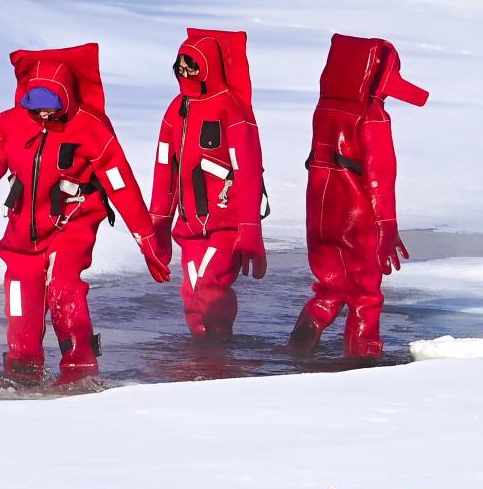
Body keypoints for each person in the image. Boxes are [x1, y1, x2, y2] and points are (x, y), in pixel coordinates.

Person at [0, 44, 169, 384]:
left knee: (63, 288)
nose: (43, 114)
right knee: (20, 300)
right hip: (22, 232)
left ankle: (80, 370)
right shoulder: (3, 127)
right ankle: (22, 372)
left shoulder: (91, 127)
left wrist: (146, 239)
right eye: (36, 106)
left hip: (72, 224)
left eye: (51, 107)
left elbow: (120, 184)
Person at [287, 34, 428, 357]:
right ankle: (362, 365)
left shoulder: (324, 109)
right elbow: (380, 177)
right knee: (366, 296)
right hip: (357, 216)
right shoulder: (372, 115)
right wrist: (386, 225)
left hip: (321, 214)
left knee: (329, 289)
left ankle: (296, 352)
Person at [147, 28, 268, 342]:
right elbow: (164, 168)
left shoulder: (230, 108)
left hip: (227, 222)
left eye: (192, 67)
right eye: (180, 68)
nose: (185, 74)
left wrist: (250, 229)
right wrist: (158, 223)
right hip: (190, 225)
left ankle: (219, 344)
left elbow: (248, 171)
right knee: (191, 290)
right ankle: (203, 352)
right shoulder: (176, 109)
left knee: (209, 283)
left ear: (208, 67)